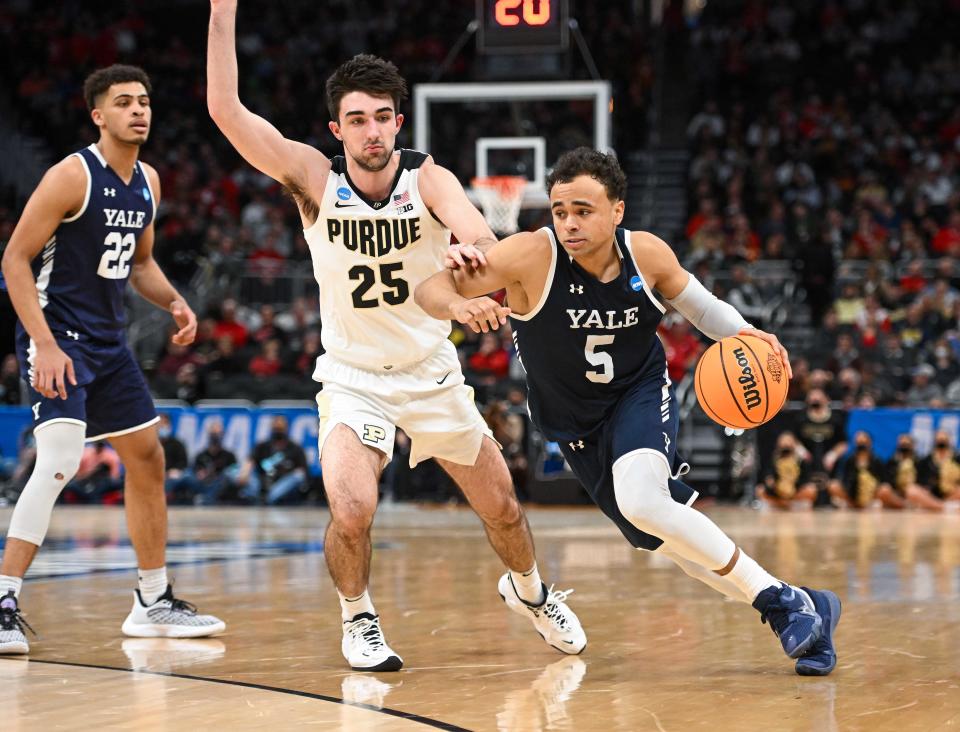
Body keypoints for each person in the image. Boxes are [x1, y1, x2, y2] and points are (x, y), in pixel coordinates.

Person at [206, 0, 583, 671]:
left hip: (430, 370)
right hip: (353, 378)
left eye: (382, 117)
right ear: (337, 128)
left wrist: (475, 257)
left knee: (502, 508)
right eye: (357, 119)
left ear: (398, 122)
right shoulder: (314, 178)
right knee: (352, 507)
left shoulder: (426, 176)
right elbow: (227, 111)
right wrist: (222, 13)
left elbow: (477, 230)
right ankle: (359, 620)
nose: (372, 130)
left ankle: (532, 593)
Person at [415, 147, 841, 676]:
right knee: (663, 535)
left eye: (584, 210)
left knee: (642, 501)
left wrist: (752, 339)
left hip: (637, 393)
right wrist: (458, 304)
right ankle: (801, 605)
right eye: (560, 210)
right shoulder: (530, 255)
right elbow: (429, 287)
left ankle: (780, 604)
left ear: (618, 210)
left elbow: (704, 309)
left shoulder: (648, 254)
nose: (569, 222)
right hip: (573, 425)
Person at [0, 65, 224, 655]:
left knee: (147, 457)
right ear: (98, 115)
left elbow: (140, 262)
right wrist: (43, 343)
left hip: (109, 342)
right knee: (59, 459)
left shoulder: (148, 179)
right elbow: (15, 260)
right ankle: (3, 598)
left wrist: (174, 299)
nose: (138, 111)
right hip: (59, 337)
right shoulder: (70, 176)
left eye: (144, 101)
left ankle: (152, 601)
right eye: (123, 103)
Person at [826, 431, 890, 509]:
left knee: (885, 489)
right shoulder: (850, 460)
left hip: (872, 494)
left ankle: (870, 504)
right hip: (853, 494)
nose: (861, 445)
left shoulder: (877, 460)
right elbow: (845, 480)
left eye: (863, 443)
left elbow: (884, 480)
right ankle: (852, 505)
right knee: (833, 485)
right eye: (859, 443)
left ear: (869, 443)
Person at [756, 431, 818, 510]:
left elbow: (806, 478)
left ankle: (782, 505)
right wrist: (770, 480)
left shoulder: (800, 459)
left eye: (788, 441)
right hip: (777, 491)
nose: (786, 444)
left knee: (811, 489)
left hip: (795, 491)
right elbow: (768, 473)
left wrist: (795, 485)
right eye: (783, 441)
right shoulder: (774, 458)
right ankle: (787, 505)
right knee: (759, 490)